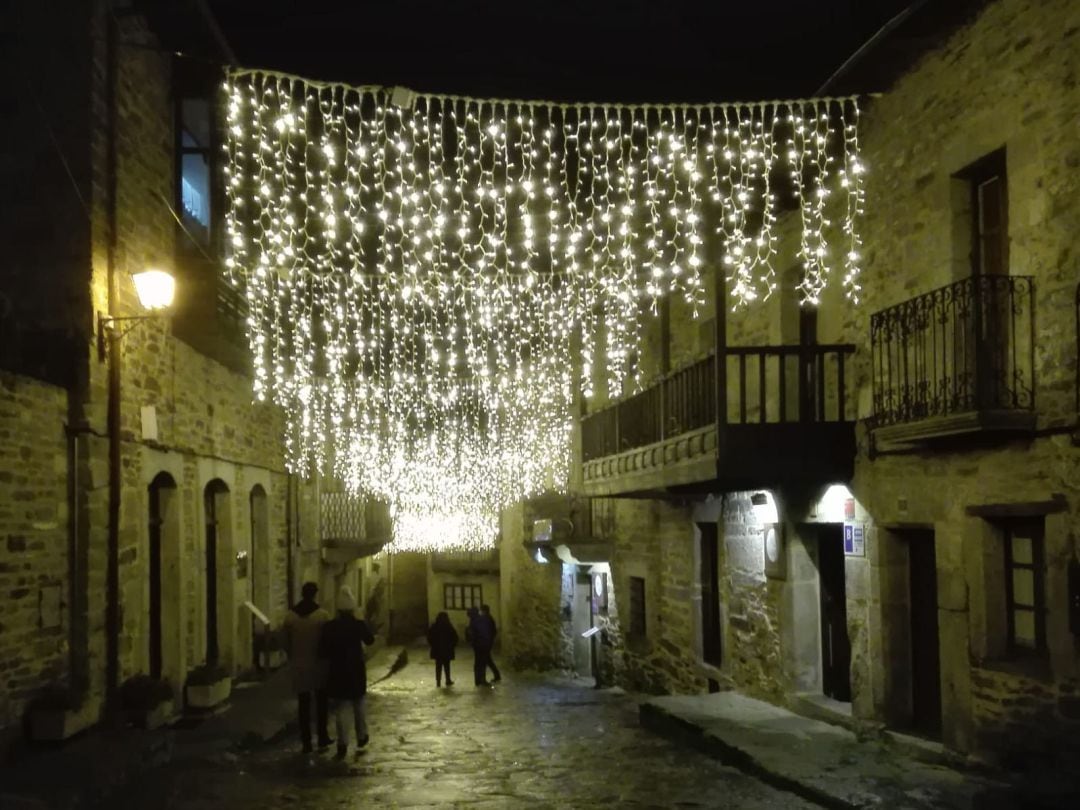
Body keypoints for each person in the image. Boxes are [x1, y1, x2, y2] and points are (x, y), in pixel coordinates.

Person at [320, 586, 376, 759]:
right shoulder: (357, 625)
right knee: (359, 705)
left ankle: (343, 743)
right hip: (356, 670)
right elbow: (370, 639)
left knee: (342, 708)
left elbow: (323, 650)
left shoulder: (330, 627)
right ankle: (361, 736)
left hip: (338, 670)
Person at [283, 581, 332, 753]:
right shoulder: (322, 616)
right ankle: (322, 736)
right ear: (315, 594)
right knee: (321, 703)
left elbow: (286, 641)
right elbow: (327, 642)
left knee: (303, 704)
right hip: (318, 664)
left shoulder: (291, 617)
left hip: (299, 663)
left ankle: (306, 741)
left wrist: (291, 656)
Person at [426, 611, 459, 687]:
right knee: (447, 665)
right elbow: (455, 637)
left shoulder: (434, 626)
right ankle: (448, 680)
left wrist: (433, 645)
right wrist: (452, 645)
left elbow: (429, 637)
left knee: (438, 666)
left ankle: (438, 682)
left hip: (437, 650)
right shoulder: (449, 626)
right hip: (447, 650)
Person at [465, 605, 493, 686]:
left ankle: (477, 680)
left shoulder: (472, 621)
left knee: (477, 663)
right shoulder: (481, 619)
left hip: (476, 645)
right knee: (482, 663)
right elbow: (485, 632)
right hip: (483, 644)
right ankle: (482, 679)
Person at [479, 604, 501, 683]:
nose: (480, 612)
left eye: (480, 610)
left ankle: (484, 679)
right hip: (488, 643)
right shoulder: (489, 619)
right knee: (488, 660)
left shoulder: (486, 619)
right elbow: (494, 631)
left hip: (485, 643)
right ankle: (497, 675)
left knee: (485, 660)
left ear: (484, 611)